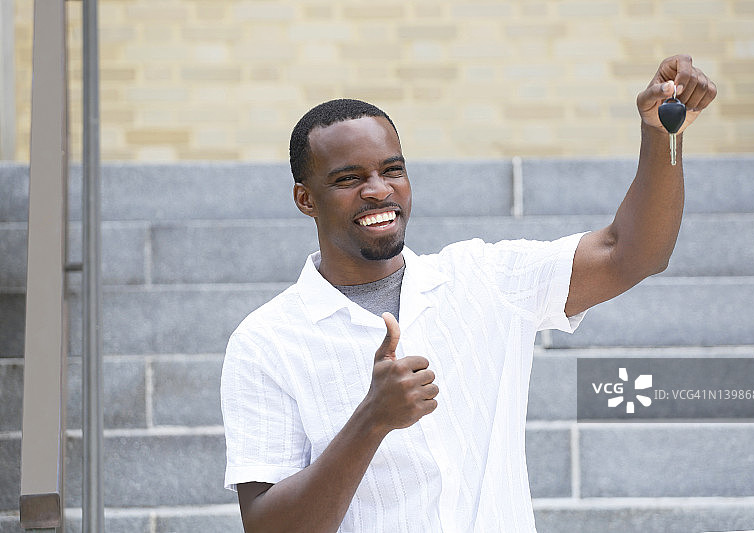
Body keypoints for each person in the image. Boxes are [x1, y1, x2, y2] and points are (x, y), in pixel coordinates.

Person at [220, 54, 717, 533]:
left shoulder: (483, 279)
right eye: (349, 179)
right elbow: (268, 527)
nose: (378, 190)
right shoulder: (266, 342)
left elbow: (632, 253)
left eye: (392, 170)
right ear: (305, 199)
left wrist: (662, 136)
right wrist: (371, 421)